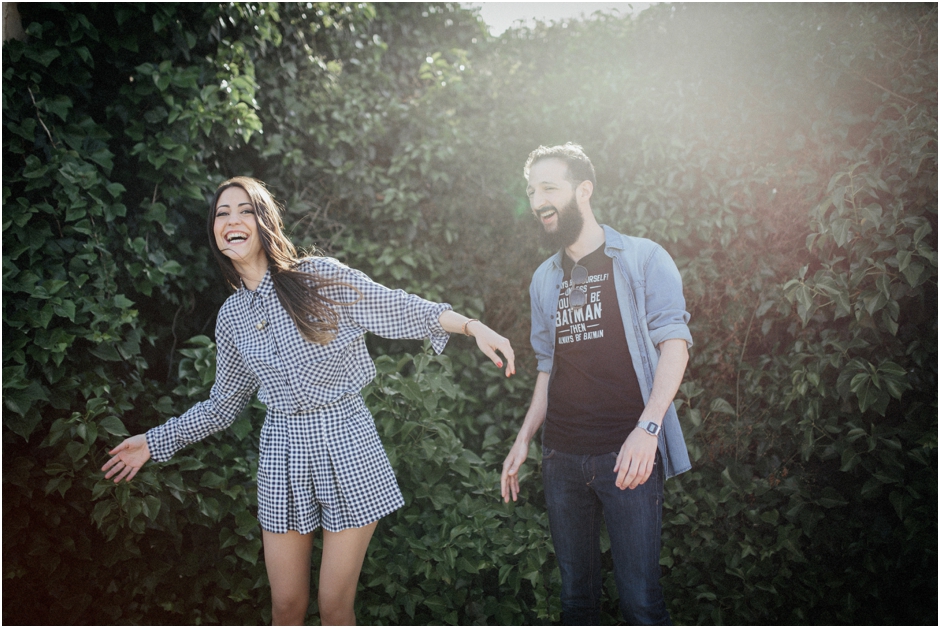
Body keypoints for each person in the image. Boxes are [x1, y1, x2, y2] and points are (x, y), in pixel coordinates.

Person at [102, 176, 515, 626]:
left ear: (264, 222)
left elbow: (396, 307)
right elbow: (222, 406)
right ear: (214, 231)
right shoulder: (232, 317)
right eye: (222, 213)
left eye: (244, 210)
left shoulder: (320, 278)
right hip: (282, 452)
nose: (232, 220)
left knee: (334, 608)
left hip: (346, 440)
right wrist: (154, 441)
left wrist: (473, 326)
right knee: (287, 608)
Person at [500, 144, 692, 625]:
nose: (537, 199)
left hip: (626, 455)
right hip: (562, 458)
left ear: (583, 190)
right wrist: (524, 439)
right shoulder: (544, 280)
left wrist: (648, 431)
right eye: (530, 191)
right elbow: (549, 367)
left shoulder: (644, 258)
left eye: (549, 187)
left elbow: (676, 345)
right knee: (576, 602)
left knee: (640, 602)